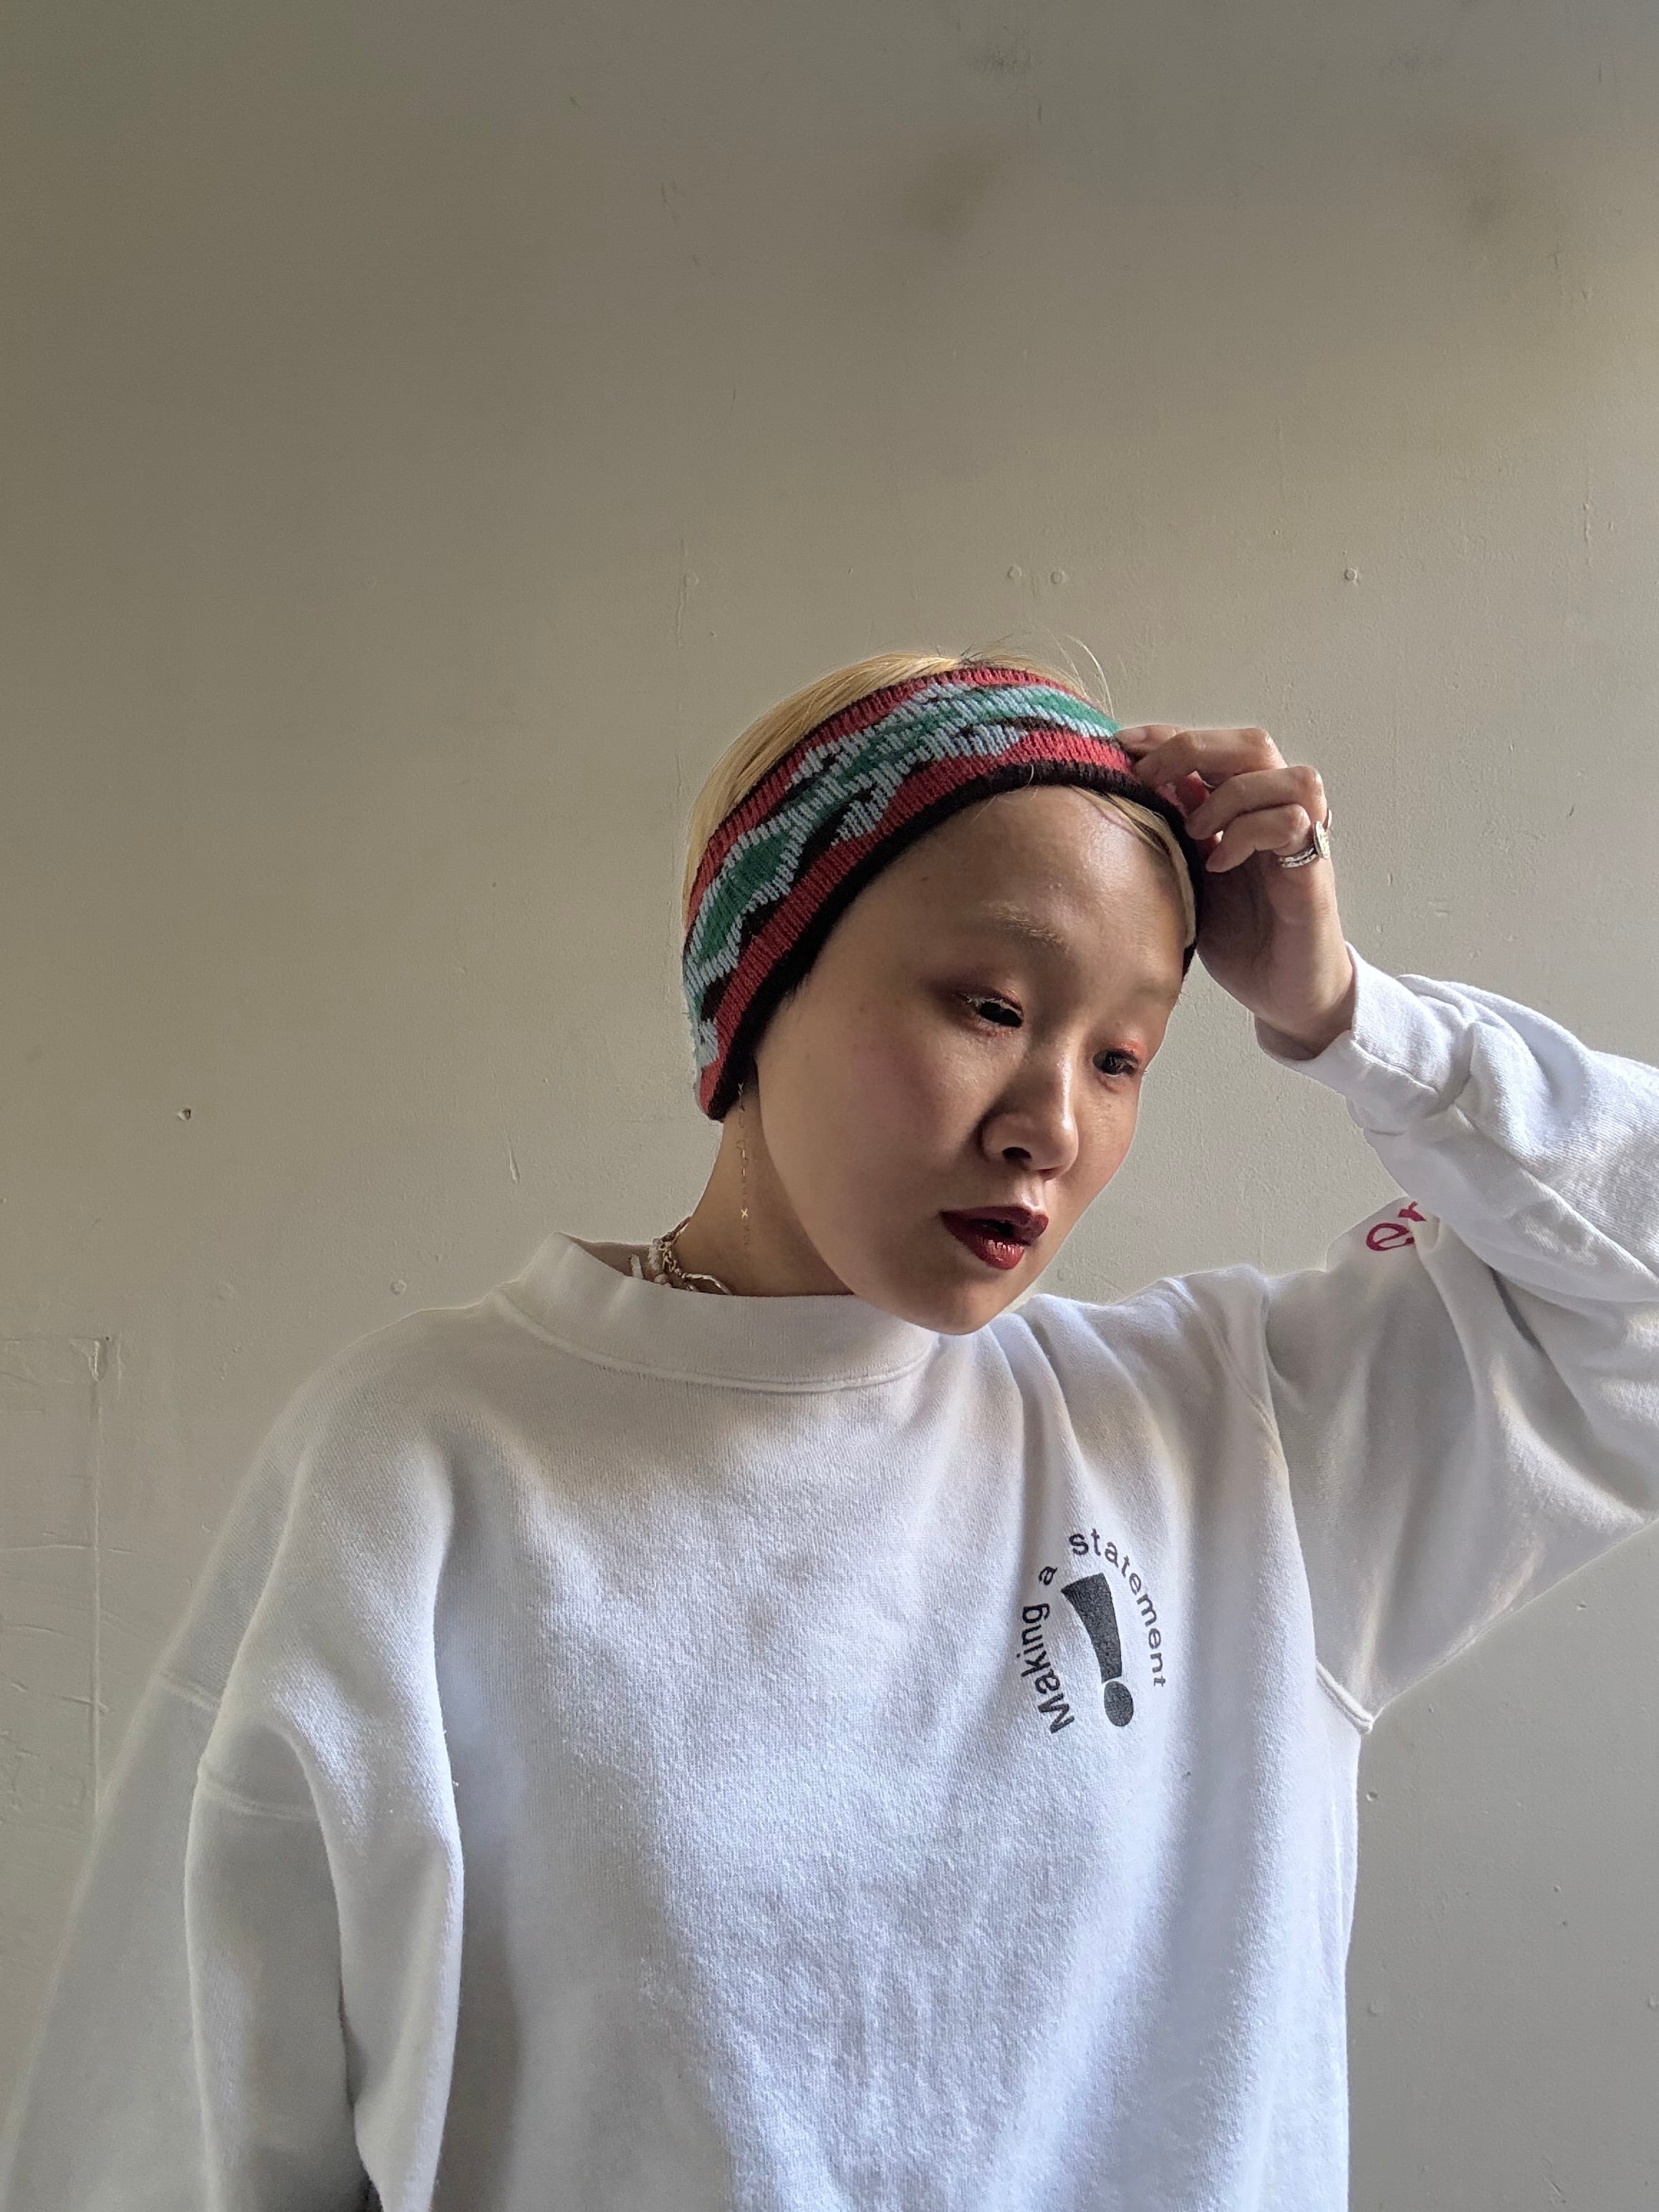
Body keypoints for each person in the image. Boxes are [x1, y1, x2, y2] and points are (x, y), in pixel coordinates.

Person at [3, 650, 1656, 2211]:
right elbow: (178, 2122)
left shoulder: (1232, 1441)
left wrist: (1347, 1012)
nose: (1051, 1121)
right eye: (987, 1005)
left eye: (1123, 1053)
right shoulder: (427, 1463)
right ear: (759, 984)